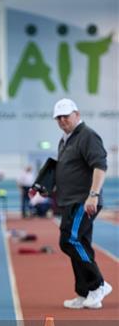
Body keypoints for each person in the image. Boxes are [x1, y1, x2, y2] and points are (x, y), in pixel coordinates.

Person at [50, 98, 111, 309]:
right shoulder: (64, 140)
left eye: (66, 116)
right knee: (80, 243)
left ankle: (98, 284)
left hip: (84, 200)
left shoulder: (87, 135)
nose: (62, 120)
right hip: (70, 200)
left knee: (69, 240)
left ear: (77, 114)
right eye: (58, 117)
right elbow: (65, 171)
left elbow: (100, 166)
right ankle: (85, 292)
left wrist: (93, 194)